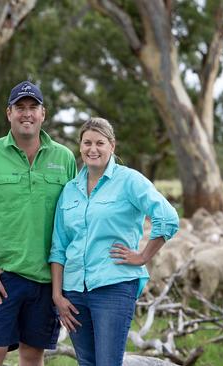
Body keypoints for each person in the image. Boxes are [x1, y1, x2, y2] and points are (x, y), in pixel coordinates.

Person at [0, 80, 77, 366]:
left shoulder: (65, 158)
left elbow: (73, 218)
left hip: (48, 279)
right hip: (2, 277)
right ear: (8, 113)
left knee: (33, 356)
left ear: (43, 113)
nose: (27, 114)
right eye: (20, 107)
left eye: (32, 107)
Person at [49, 117, 179, 366]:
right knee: (86, 363)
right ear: (80, 146)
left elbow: (168, 218)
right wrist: (57, 295)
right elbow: (59, 246)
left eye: (100, 143)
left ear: (112, 146)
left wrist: (142, 256)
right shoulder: (70, 190)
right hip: (74, 293)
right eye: (87, 142)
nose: (93, 149)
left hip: (113, 287)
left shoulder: (130, 181)